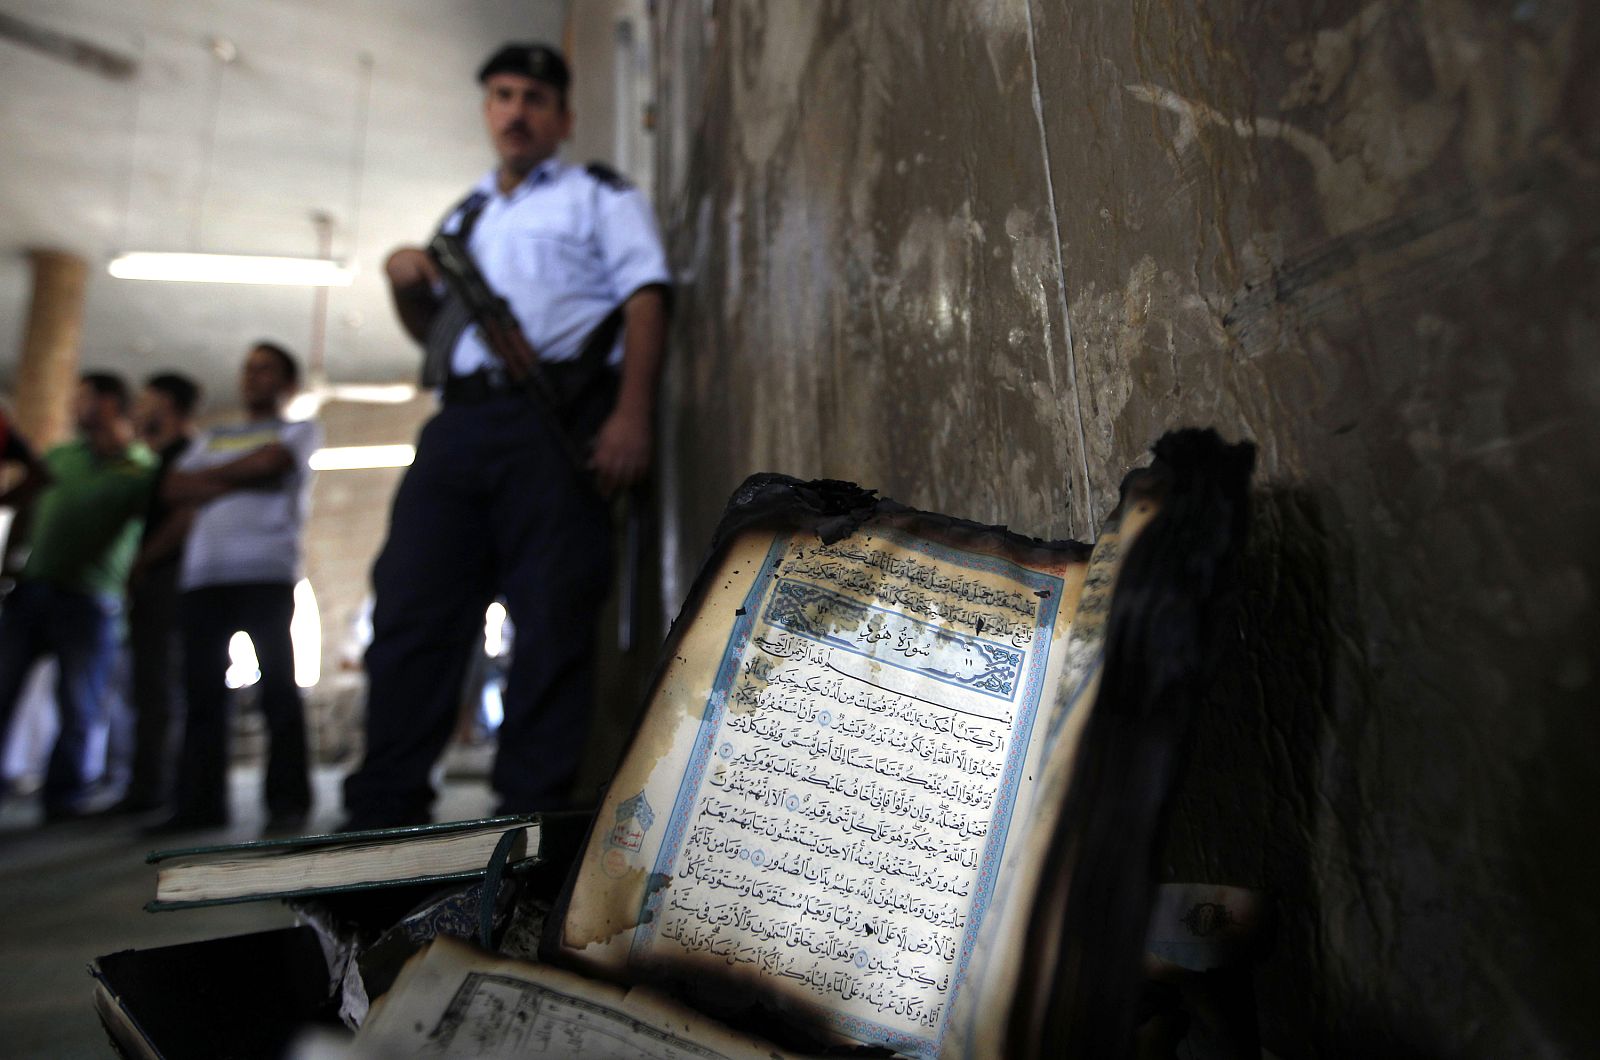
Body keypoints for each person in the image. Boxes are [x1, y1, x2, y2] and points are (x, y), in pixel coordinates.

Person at [340, 42, 669, 829]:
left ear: (563, 117)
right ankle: (382, 810)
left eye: (532, 97)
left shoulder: (598, 194)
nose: (515, 111)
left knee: (552, 615)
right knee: (413, 606)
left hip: (554, 420)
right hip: (459, 423)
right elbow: (433, 334)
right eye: (502, 96)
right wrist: (402, 280)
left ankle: (528, 813)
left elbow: (646, 297)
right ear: (487, 109)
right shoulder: (467, 215)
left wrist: (631, 414)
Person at [153, 344, 319, 834]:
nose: (252, 377)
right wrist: (238, 475)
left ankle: (287, 803)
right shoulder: (214, 435)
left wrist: (207, 481)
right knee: (202, 696)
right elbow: (171, 490)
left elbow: (272, 462)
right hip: (203, 579)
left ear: (287, 384)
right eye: (248, 368)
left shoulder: (298, 429)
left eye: (265, 368)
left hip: (266, 573)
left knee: (278, 691)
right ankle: (200, 806)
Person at [0, 374, 155, 820]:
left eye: (83, 397)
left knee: (78, 703)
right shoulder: (60, 457)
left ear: (109, 404)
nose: (73, 404)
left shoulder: (140, 467)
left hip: (90, 601)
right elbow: (27, 512)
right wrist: (12, 564)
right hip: (31, 591)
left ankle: (63, 797)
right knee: (2, 691)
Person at [108, 372, 202, 814]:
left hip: (167, 582)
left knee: (157, 687)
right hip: (161, 582)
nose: (140, 409)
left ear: (166, 403)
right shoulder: (159, 457)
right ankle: (149, 786)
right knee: (149, 687)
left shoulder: (187, 455)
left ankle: (153, 790)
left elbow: (185, 517)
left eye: (147, 400)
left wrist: (142, 562)